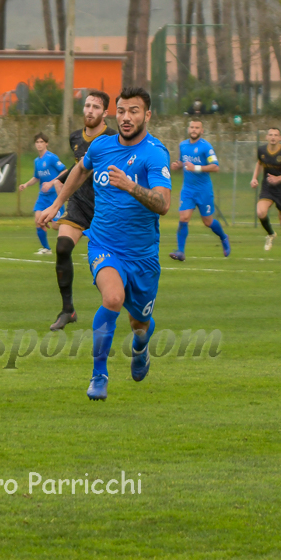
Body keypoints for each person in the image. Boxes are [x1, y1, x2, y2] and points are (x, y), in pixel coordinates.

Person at [38, 86, 171, 401]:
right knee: (112, 298)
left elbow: (163, 203)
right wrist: (56, 205)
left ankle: (140, 347)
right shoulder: (101, 146)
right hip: (104, 244)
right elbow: (79, 171)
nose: (126, 117)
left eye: (134, 111)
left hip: (143, 256)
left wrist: (130, 186)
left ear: (147, 115)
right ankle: (99, 375)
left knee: (140, 323)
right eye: (122, 111)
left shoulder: (155, 153)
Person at [49, 90, 117, 331]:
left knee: (115, 266)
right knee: (62, 247)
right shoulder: (75, 137)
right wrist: (59, 181)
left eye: (96, 107)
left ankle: (123, 308)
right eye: (87, 105)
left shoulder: (114, 138)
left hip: (104, 207)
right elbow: (80, 167)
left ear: (105, 113)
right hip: (79, 204)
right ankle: (68, 310)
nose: (90, 110)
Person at [168, 120, 230, 261]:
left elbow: (215, 166)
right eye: (192, 127)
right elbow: (183, 161)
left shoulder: (206, 147)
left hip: (203, 190)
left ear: (202, 131)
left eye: (197, 128)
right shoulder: (183, 145)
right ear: (188, 129)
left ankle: (223, 237)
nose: (194, 130)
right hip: (188, 189)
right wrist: (178, 165)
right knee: (183, 218)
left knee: (208, 222)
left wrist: (195, 168)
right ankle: (180, 252)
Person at [251, 127, 281, 257]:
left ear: (280, 138)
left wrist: (278, 179)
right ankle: (271, 234)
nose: (273, 137)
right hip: (268, 187)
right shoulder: (261, 150)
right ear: (267, 137)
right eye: (270, 135)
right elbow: (259, 163)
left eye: (276, 135)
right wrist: (254, 178)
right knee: (260, 212)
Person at [19, 133, 67, 255]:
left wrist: (51, 183)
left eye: (41, 142)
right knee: (38, 220)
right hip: (42, 196)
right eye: (37, 142)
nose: (39, 144)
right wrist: (26, 184)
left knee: (56, 226)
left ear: (46, 143)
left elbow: (65, 171)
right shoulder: (37, 161)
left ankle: (79, 231)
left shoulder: (52, 158)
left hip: (54, 196)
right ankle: (46, 249)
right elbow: (36, 177)